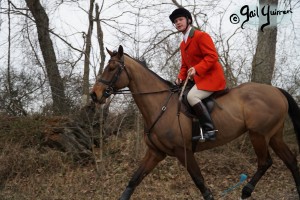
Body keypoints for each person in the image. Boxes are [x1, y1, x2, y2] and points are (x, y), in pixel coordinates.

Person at [169, 7, 226, 141]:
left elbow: (212, 56)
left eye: (180, 19)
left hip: (211, 78)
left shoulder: (201, 36)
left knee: (192, 97)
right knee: (180, 96)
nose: (178, 22)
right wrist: (180, 77)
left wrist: (197, 68)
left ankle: (210, 131)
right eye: (175, 21)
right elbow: (184, 65)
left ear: (188, 20)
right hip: (197, 79)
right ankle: (194, 130)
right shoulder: (183, 44)